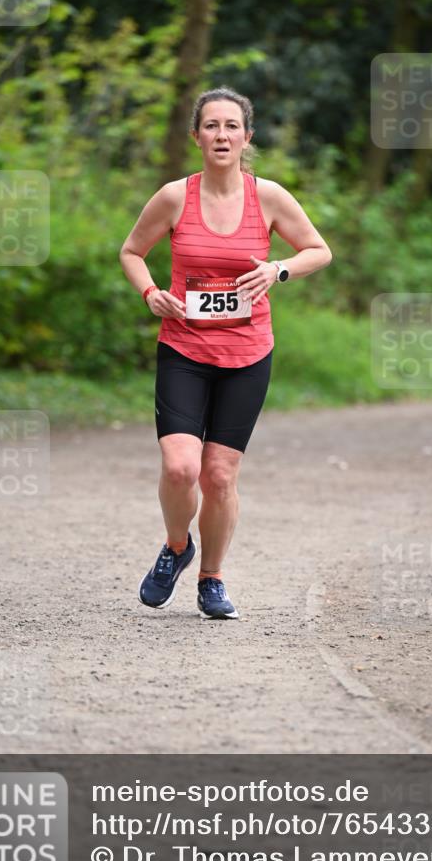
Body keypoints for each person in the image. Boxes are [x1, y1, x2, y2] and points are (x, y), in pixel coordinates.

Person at [119, 86, 331, 620]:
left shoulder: (270, 198)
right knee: (179, 468)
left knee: (219, 476)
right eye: (211, 126)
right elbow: (131, 252)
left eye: (231, 126)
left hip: (247, 354)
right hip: (185, 348)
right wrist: (151, 294)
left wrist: (276, 269)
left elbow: (318, 250)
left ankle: (211, 578)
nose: (221, 135)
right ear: (196, 136)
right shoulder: (173, 197)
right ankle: (176, 548)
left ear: (246, 137)